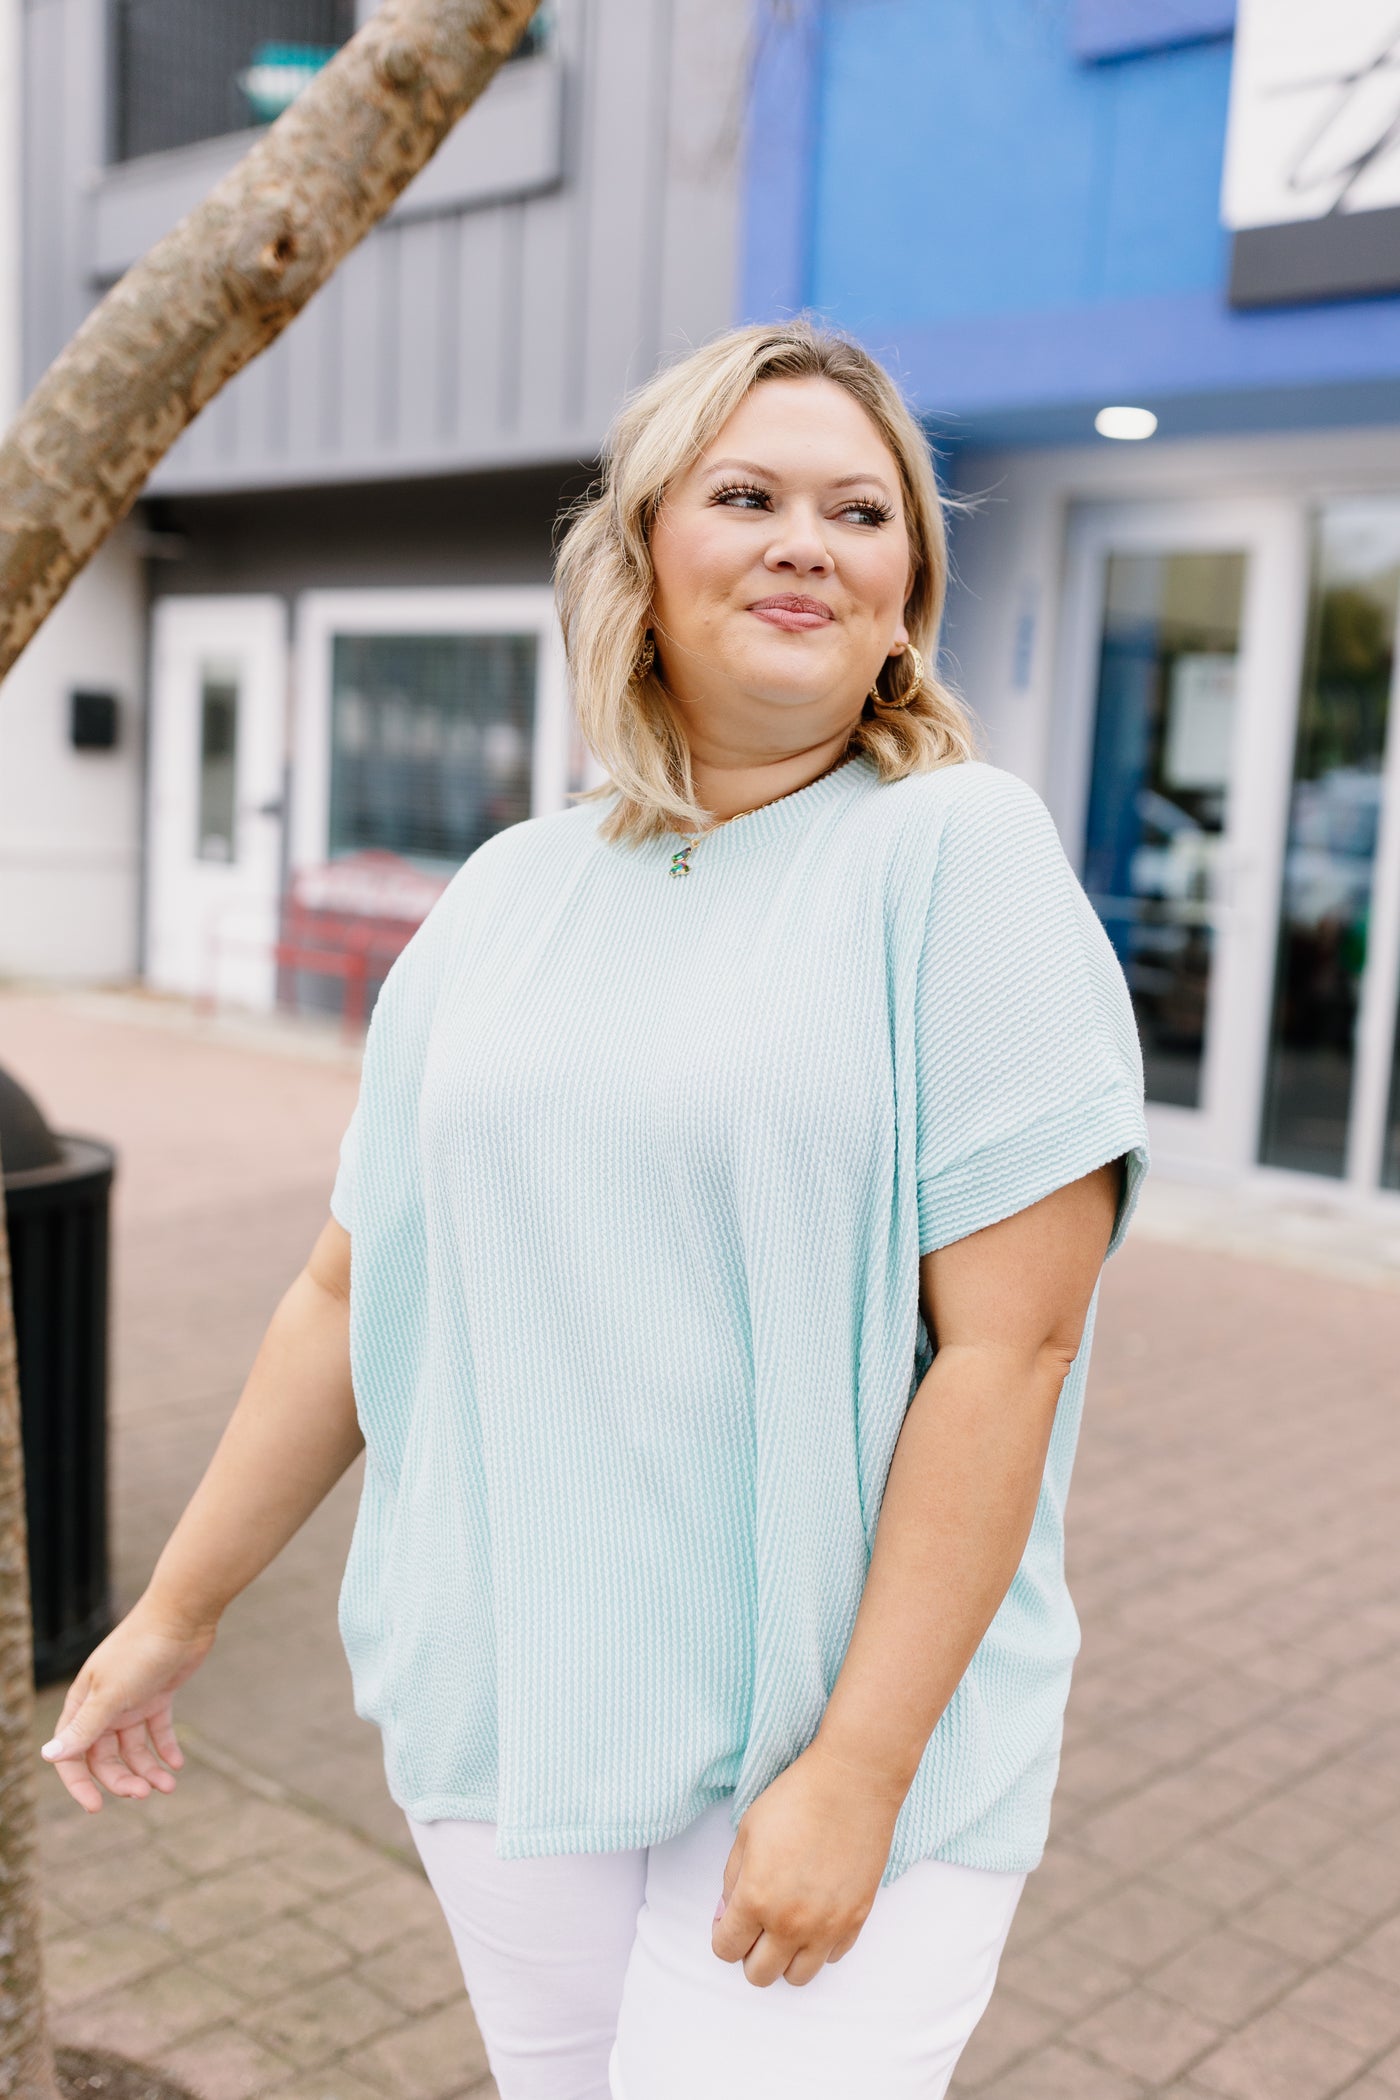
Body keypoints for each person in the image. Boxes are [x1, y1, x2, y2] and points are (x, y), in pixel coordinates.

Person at [41, 321, 1149, 2100]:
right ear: (639, 551)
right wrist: (176, 1612)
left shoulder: (961, 858)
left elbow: (1011, 1356)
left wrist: (856, 1773)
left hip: (827, 1730)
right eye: (748, 493)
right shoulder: (504, 893)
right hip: (512, 1715)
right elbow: (350, 1291)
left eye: (860, 511)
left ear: (906, 591)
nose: (807, 539)